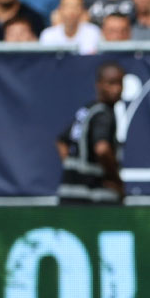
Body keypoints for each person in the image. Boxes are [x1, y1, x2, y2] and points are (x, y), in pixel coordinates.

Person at [57, 61, 126, 204]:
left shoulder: (88, 110)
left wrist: (75, 173)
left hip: (69, 193)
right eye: (111, 83)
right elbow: (102, 149)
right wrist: (115, 179)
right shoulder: (103, 114)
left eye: (120, 83)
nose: (117, 89)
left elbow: (62, 142)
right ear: (99, 85)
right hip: (92, 198)